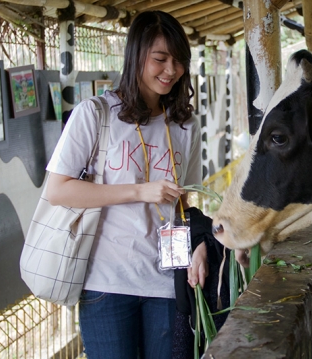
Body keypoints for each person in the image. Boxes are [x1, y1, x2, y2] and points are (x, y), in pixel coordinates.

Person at [45, 11, 206, 359]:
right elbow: (58, 190)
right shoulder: (96, 113)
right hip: (106, 283)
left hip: (167, 281)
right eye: (160, 59)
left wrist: (200, 244)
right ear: (136, 56)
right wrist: (138, 191)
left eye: (179, 62)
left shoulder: (185, 124)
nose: (171, 71)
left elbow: (185, 203)